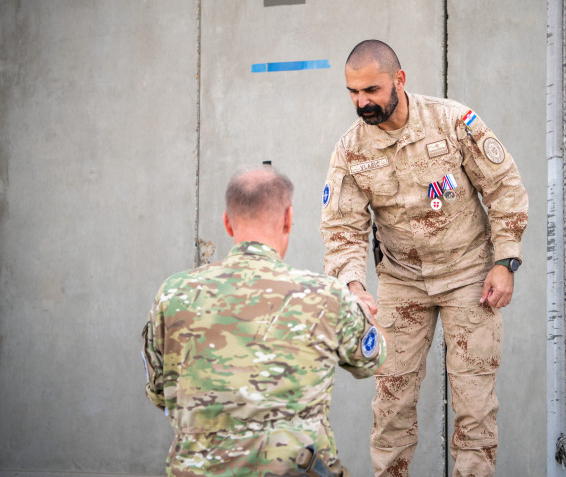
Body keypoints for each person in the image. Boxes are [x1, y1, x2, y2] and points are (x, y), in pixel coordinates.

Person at [320, 40, 529, 477]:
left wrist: (505, 260)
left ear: (399, 80)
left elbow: (504, 187)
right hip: (401, 282)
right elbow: (342, 228)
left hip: (470, 276)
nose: (362, 103)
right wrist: (354, 287)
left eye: (372, 90)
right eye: (353, 93)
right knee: (391, 404)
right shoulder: (351, 151)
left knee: (474, 404)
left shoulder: (452, 121)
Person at [142, 166, 386, 476]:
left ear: (227, 224)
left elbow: (158, 392)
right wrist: (363, 311)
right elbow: (371, 360)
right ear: (288, 218)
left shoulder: (173, 294)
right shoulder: (327, 295)